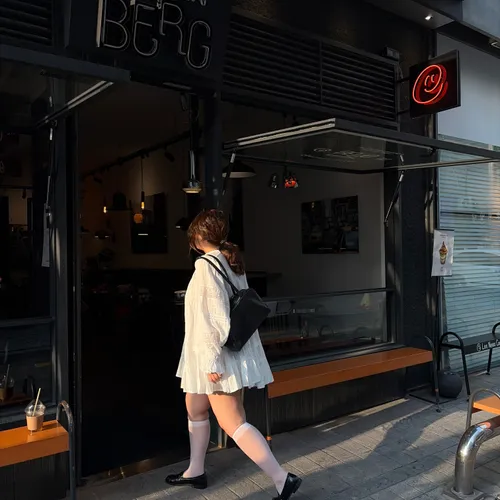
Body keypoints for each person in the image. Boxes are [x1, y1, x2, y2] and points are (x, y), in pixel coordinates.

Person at [166, 209, 302, 500]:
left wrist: (211, 361)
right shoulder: (231, 262)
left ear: (198, 237)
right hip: (216, 353)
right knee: (195, 407)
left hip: (215, 356)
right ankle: (195, 471)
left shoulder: (206, 266)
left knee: (233, 422)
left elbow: (215, 318)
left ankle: (282, 478)